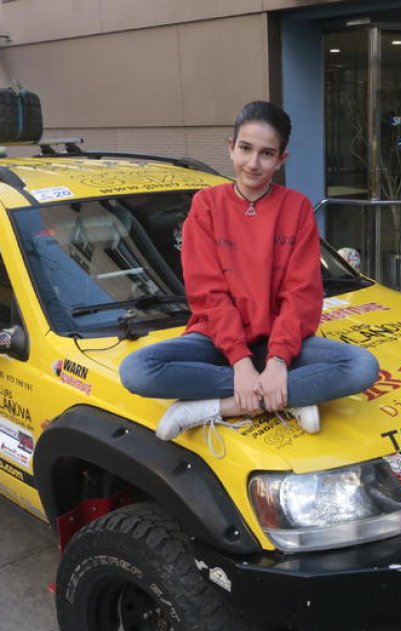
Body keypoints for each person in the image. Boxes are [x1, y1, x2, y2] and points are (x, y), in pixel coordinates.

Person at [121, 101, 379, 442]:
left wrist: (277, 362)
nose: (253, 163)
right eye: (245, 149)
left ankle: (211, 407)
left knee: (362, 367)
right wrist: (241, 362)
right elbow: (208, 294)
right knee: (137, 371)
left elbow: (301, 294)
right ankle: (287, 397)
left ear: (281, 159)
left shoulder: (296, 208)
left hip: (281, 343)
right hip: (216, 341)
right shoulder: (206, 206)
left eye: (266, 154)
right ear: (231, 148)